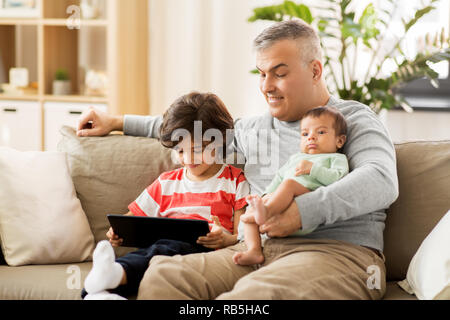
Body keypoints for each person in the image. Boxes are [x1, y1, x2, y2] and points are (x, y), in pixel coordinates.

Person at [77, 19, 398, 300]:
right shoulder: (253, 131)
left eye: (279, 73)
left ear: (315, 70)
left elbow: (381, 180)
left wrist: (302, 213)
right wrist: (117, 121)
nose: (266, 86)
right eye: (262, 74)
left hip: (335, 253)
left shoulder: (353, 119)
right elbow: (191, 131)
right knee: (164, 276)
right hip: (255, 250)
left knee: (254, 297)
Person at [81, 92, 249, 300]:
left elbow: (241, 236)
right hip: (160, 251)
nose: (188, 159)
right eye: (180, 151)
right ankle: (101, 291)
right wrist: (117, 232)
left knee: (165, 251)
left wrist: (225, 239)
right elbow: (130, 219)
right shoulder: (166, 182)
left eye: (197, 150)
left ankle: (115, 274)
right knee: (107, 280)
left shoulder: (234, 180)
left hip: (202, 255)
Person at [232, 106, 349, 266]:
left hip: (308, 200)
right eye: (305, 134)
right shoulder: (296, 158)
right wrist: (266, 196)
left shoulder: (335, 158)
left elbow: (338, 179)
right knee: (248, 215)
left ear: (339, 140)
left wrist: (313, 169)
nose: (311, 138)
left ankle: (265, 211)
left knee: (289, 184)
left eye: (320, 132)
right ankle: (254, 251)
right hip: (281, 205)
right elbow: (278, 179)